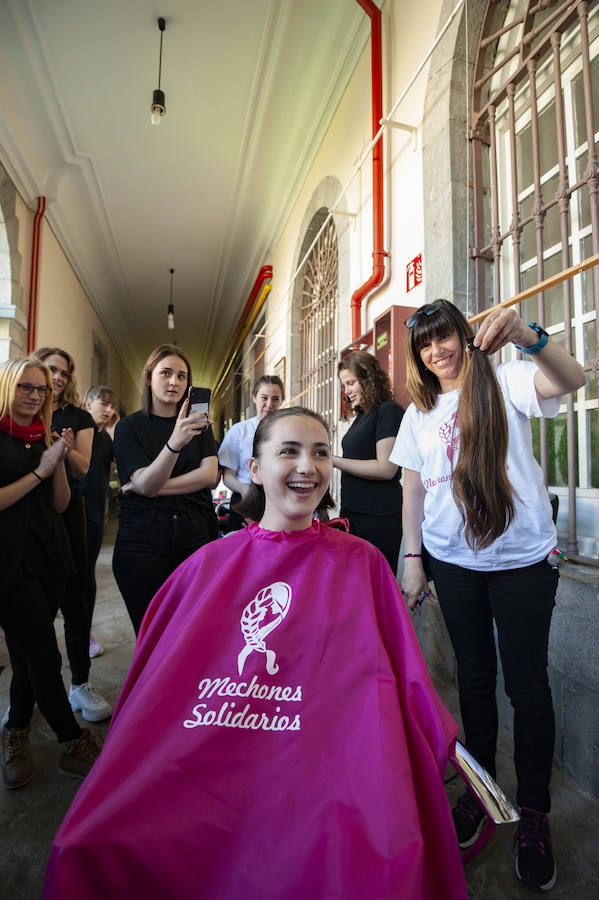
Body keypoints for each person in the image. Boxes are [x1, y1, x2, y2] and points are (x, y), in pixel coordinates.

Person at [44, 407, 468, 900]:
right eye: (288, 451)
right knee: (94, 841)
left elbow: (407, 680)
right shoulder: (207, 566)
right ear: (254, 469)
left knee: (374, 846)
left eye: (320, 452)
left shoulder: (362, 562)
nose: (307, 466)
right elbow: (155, 691)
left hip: (327, 764)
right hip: (212, 758)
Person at [390, 299, 586, 893]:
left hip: (523, 560)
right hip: (454, 563)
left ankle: (533, 817)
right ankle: (482, 795)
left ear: (463, 336)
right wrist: (413, 558)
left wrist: (529, 335)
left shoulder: (504, 380)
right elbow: (413, 490)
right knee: (473, 681)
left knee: (526, 685)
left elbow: (572, 379)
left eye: (444, 336)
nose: (436, 350)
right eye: (424, 345)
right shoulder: (419, 411)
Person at [0, 356, 102, 790]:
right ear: (8, 386)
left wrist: (57, 461)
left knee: (27, 654)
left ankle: (16, 733)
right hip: (9, 564)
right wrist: (40, 471)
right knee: (43, 656)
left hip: (49, 559)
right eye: (25, 386)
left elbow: (60, 504)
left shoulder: (43, 437)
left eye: (40, 389)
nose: (34, 395)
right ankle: (72, 740)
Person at [112, 344, 219, 635]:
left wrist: (153, 486)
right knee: (152, 635)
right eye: (166, 373)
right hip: (142, 540)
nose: (174, 382)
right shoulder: (128, 427)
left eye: (182, 376)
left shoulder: (200, 425)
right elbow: (146, 483)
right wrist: (175, 443)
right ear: (149, 377)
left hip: (194, 534)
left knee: (190, 634)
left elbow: (209, 475)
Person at [34, 347, 112, 724]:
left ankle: (79, 684)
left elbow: (82, 467)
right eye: (52, 369)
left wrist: (62, 446)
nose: (59, 377)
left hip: (71, 512)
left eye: (65, 371)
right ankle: (32, 689)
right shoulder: (24, 406)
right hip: (29, 512)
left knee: (76, 601)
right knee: (33, 606)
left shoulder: (78, 417)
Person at [332, 351, 404, 572]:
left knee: (374, 583)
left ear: (368, 378)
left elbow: (387, 468)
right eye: (345, 385)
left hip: (378, 516)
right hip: (354, 513)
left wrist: (333, 460)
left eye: (351, 382)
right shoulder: (363, 415)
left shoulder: (388, 411)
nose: (348, 391)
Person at [217, 374, 284, 526]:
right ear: (254, 397)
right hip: (244, 499)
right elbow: (227, 476)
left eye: (275, 399)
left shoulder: (287, 432)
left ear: (281, 401)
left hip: (278, 500)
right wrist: (244, 490)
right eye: (264, 398)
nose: (269, 404)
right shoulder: (238, 431)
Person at [82, 385, 119, 659]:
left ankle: (84, 633)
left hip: (94, 515)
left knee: (86, 577)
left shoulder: (106, 439)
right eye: (102, 403)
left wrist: (114, 433)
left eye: (111, 405)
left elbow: (123, 463)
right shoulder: (75, 431)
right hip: (69, 512)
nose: (108, 410)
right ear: (87, 403)